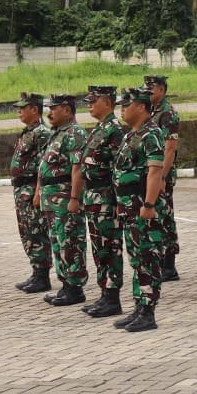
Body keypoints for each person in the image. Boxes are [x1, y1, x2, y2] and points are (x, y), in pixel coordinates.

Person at [112, 87, 167, 333]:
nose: (122, 109)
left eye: (128, 105)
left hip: (142, 207)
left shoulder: (152, 134)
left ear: (142, 107)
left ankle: (148, 311)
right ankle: (138, 306)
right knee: (136, 258)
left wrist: (149, 204)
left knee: (147, 258)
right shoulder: (130, 135)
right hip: (128, 206)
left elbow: (155, 171)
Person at [34, 94, 90, 308]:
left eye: (54, 108)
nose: (49, 112)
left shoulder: (75, 133)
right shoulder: (57, 133)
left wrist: (75, 198)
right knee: (58, 241)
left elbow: (77, 168)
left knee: (70, 242)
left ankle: (75, 287)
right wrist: (39, 192)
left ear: (67, 110)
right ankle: (66, 284)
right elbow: (44, 166)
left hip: (65, 197)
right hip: (52, 199)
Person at [77, 85, 125, 319]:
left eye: (93, 100)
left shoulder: (114, 130)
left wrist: (117, 201)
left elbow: (118, 167)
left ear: (107, 102)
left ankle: (113, 298)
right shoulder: (99, 129)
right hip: (93, 198)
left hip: (106, 198)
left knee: (109, 248)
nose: (89, 104)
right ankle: (105, 293)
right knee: (99, 247)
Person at [9, 93, 54, 294]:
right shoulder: (28, 132)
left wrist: (38, 192)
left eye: (23, 107)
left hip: (31, 189)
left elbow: (43, 165)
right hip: (21, 190)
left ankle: (43, 276)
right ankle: (36, 272)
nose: (19, 111)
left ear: (34, 109)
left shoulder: (42, 133)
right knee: (27, 232)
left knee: (37, 231)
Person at [146, 74, 182, 283]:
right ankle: (160, 259)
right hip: (155, 171)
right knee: (158, 216)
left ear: (161, 90)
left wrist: (162, 177)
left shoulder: (167, 113)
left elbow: (170, 148)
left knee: (165, 215)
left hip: (163, 173)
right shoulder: (151, 111)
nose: (148, 92)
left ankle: (169, 264)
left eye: (151, 89)